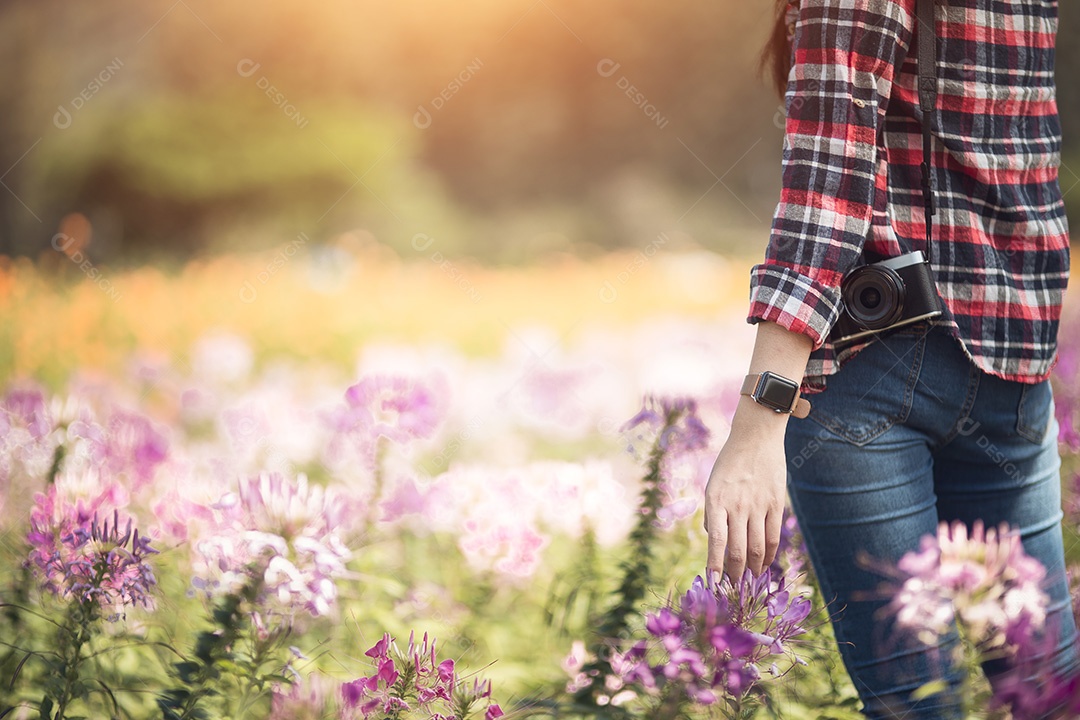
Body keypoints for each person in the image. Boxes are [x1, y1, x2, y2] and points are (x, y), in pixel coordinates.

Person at [703, 0, 1077, 717]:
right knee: (1044, 696)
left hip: (875, 372)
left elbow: (827, 182)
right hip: (1012, 357)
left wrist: (758, 424)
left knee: (917, 705)